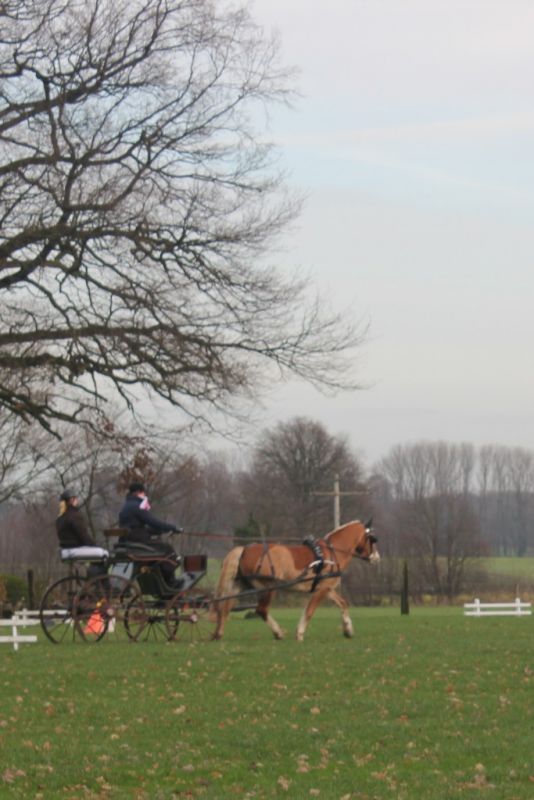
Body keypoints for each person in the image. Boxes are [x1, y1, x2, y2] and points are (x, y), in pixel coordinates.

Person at [118, 481, 182, 586]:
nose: (144, 495)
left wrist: (157, 530)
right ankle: (170, 581)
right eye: (143, 493)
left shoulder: (126, 506)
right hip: (138, 542)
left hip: (128, 540)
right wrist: (173, 528)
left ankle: (164, 581)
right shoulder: (137, 506)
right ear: (138, 492)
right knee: (167, 549)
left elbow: (136, 526)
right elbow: (153, 522)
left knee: (160, 548)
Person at [56, 488, 109, 563]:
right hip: (75, 548)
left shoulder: (60, 518)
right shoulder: (74, 516)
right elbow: (83, 535)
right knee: (104, 553)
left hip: (65, 549)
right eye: (76, 499)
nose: (77, 501)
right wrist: (94, 546)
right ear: (71, 500)